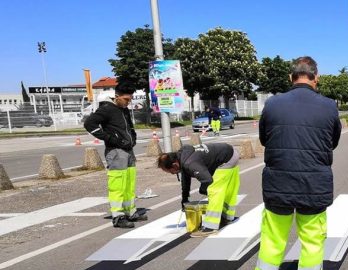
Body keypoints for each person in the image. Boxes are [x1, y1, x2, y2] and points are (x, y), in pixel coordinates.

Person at [242, 56, 341, 270]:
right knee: (312, 241)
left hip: (278, 184)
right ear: (316, 77)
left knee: (273, 240)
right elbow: (333, 142)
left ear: (291, 77)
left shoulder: (273, 104)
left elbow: (265, 138)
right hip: (313, 185)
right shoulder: (329, 106)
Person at [84, 83, 145, 229]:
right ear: (117, 97)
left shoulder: (123, 109)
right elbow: (89, 124)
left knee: (129, 183)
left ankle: (130, 211)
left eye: (130, 100)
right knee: (117, 185)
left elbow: (129, 127)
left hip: (128, 150)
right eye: (126, 99)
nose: (128, 102)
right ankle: (118, 216)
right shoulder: (107, 109)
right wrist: (111, 139)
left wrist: (133, 136)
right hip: (116, 152)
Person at [157, 143, 240, 237]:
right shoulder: (182, 157)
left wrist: (203, 189)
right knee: (228, 189)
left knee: (214, 190)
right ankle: (227, 218)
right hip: (229, 152)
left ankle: (211, 227)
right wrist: (185, 198)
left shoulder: (190, 163)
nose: (171, 173)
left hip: (226, 159)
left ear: (174, 165)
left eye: (170, 171)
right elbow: (185, 180)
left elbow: (207, 179)